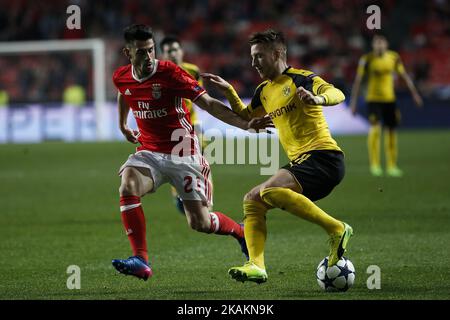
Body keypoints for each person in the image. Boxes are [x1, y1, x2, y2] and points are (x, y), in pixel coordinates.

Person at [111, 24, 272, 281]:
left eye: (151, 50)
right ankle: (141, 259)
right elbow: (124, 93)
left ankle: (240, 232)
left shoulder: (171, 73)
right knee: (127, 184)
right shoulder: (121, 76)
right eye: (141, 52)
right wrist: (122, 124)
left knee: (200, 223)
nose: (149, 57)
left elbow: (208, 103)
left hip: (183, 152)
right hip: (150, 151)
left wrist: (245, 124)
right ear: (128, 53)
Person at [202, 29, 353, 284]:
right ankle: (256, 265)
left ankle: (337, 229)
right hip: (302, 163)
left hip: (323, 157)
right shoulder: (264, 90)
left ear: (278, 53)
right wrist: (228, 90)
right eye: (252, 57)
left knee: (267, 192)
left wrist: (318, 98)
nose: (254, 63)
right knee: (252, 200)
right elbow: (246, 115)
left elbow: (338, 93)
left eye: (259, 56)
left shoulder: (301, 79)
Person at [349, 33, 423, 177]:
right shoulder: (367, 59)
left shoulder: (393, 57)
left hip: (390, 100)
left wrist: (415, 94)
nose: (379, 45)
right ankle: (375, 164)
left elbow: (404, 76)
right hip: (373, 99)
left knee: (391, 131)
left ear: (387, 44)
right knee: (375, 130)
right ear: (373, 45)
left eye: (382, 42)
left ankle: (391, 165)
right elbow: (358, 81)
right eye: (377, 42)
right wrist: (353, 102)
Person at [160, 35, 209, 214]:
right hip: (172, 126)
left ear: (181, 51)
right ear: (163, 54)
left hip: (192, 122)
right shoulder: (159, 74)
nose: (173, 53)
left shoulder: (193, 71)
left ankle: (204, 196)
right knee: (177, 163)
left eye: (175, 49)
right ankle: (179, 193)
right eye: (168, 51)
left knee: (200, 156)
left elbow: (199, 97)